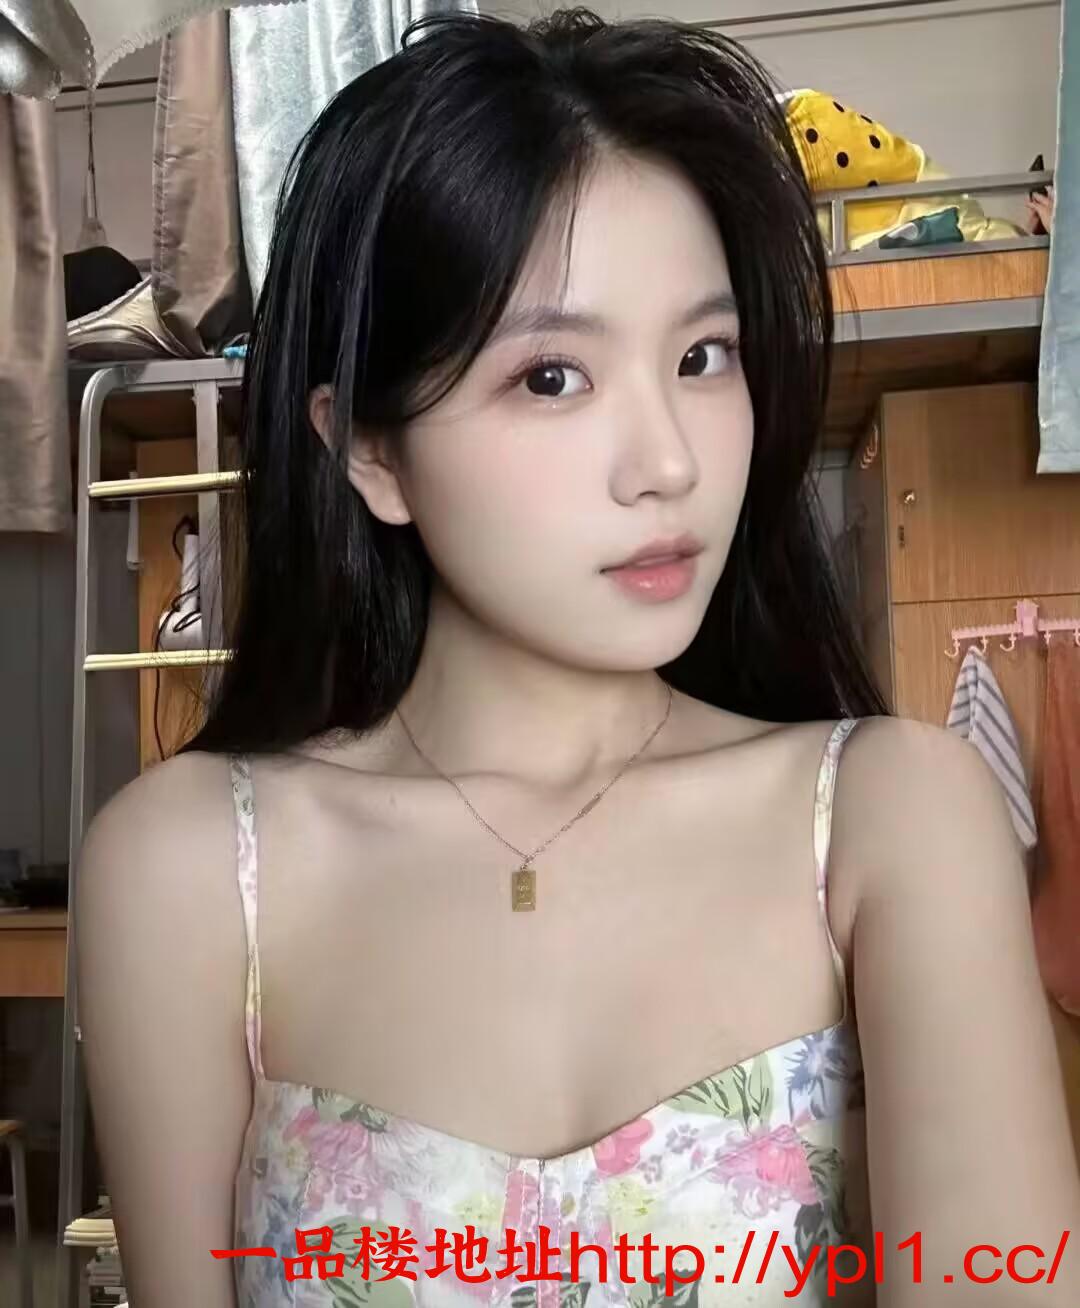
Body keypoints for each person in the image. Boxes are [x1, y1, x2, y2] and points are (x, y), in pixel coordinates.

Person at [76, 10, 1080, 1307]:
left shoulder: (895, 823)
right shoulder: (193, 872)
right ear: (370, 449)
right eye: (552, 377)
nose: (668, 462)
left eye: (702, 357)